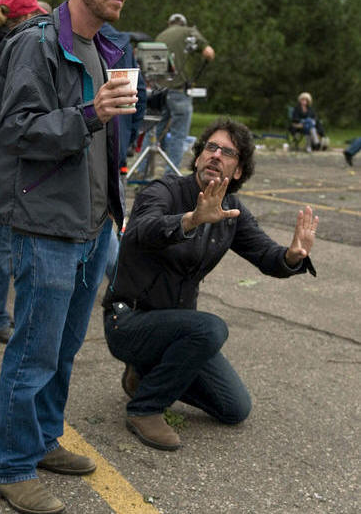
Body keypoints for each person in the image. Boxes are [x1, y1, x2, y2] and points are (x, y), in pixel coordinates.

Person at [0, 0, 136, 513]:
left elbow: (106, 135)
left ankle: (44, 439)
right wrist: (89, 113)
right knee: (33, 352)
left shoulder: (108, 47)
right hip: (45, 224)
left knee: (66, 347)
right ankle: (11, 466)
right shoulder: (37, 43)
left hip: (93, 224)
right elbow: (15, 130)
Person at [103, 119, 319, 452]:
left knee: (234, 408)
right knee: (211, 329)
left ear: (237, 170)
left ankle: (146, 375)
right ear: (199, 156)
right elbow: (142, 230)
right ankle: (144, 408)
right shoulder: (164, 191)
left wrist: (292, 256)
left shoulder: (232, 211)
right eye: (211, 147)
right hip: (129, 321)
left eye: (227, 152)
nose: (215, 155)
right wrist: (190, 220)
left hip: (175, 330)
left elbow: (266, 255)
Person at [0, 0, 48, 344]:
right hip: (7, 161)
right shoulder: (13, 50)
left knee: (0, 239)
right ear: (23, 17)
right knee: (2, 243)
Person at [139, 13, 215, 175]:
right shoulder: (189, 31)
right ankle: (170, 175)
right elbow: (208, 53)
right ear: (183, 23)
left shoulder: (161, 36)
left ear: (169, 23)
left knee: (153, 131)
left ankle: (141, 170)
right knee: (178, 135)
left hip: (159, 91)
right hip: (178, 90)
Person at [100, 22, 146, 174]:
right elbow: (139, 93)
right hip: (118, 146)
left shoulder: (74, 39)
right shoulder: (123, 43)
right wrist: (129, 136)